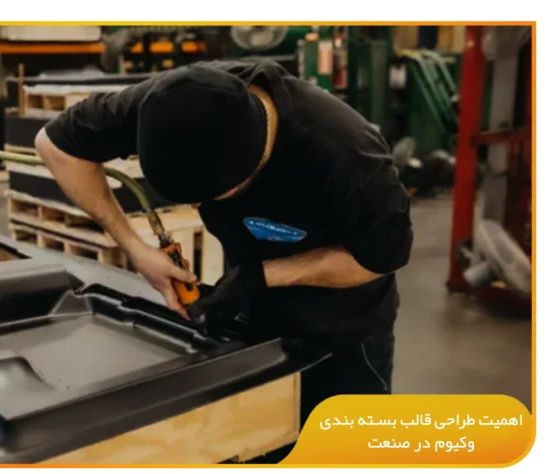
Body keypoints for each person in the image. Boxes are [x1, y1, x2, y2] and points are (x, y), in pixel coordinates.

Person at [34, 60, 413, 443]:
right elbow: (53, 145)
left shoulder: (348, 156)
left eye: (210, 197)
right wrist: (136, 248)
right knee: (262, 446)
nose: (199, 208)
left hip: (346, 332)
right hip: (255, 321)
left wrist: (260, 276)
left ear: (254, 168)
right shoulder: (168, 106)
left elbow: (378, 260)